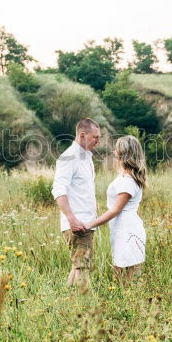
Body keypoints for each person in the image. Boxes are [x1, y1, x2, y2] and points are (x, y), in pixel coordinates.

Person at [85, 134, 147, 283]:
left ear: (124, 153)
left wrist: (90, 225)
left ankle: (127, 303)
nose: (114, 152)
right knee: (120, 274)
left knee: (124, 276)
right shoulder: (125, 176)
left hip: (127, 230)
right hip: (122, 228)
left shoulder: (129, 181)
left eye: (117, 149)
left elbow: (115, 210)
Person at [51, 118, 101, 292]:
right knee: (82, 268)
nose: (98, 141)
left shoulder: (86, 156)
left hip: (87, 222)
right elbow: (58, 190)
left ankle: (67, 301)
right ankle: (83, 309)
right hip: (78, 224)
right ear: (82, 135)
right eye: (95, 137)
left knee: (77, 267)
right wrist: (71, 218)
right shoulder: (69, 158)